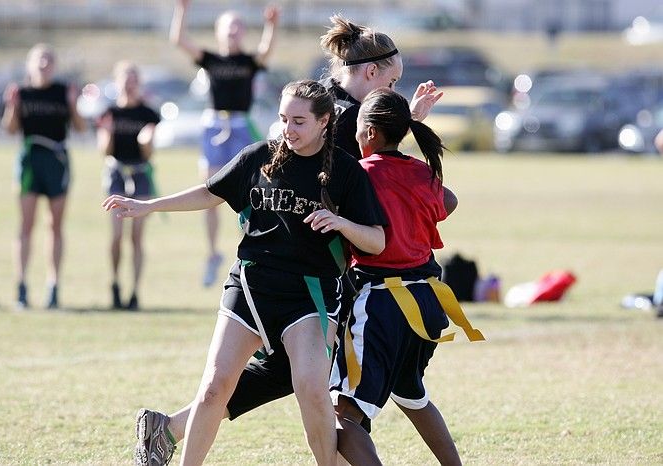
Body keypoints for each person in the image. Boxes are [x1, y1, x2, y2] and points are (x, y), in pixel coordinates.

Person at [131, 15, 460, 466]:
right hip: (307, 274)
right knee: (305, 381)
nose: (393, 93)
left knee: (294, 375)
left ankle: (170, 428)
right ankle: (171, 428)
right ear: (370, 72)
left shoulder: (341, 112)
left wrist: (403, 126)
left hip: (316, 272)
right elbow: (279, 168)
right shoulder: (342, 121)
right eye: (394, 82)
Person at [104, 79, 386, 466]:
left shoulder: (345, 171)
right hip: (250, 288)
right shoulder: (260, 156)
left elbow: (376, 240)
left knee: (312, 390)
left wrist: (341, 223)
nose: (289, 129)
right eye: (284, 119)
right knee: (214, 388)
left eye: (300, 121)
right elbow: (210, 192)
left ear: (325, 121)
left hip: (308, 296)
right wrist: (150, 205)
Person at [330, 87, 484, 466]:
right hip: (428, 301)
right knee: (411, 394)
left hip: (383, 304)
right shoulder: (418, 170)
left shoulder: (360, 174)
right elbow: (448, 200)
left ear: (367, 133)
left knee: (343, 415)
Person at [170, 0, 280, 287]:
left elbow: (266, 52)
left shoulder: (247, 62)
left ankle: (252, 248)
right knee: (210, 190)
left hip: (242, 126)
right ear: (219, 32)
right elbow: (179, 40)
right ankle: (212, 254)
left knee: (252, 191)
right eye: (227, 27)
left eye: (237, 26)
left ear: (242, 32)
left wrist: (271, 25)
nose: (232, 31)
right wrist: (182, 10)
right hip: (214, 126)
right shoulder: (211, 60)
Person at [2, 43, 86, 309]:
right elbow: (11, 129)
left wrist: (74, 105)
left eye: (49, 60)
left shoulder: (63, 92)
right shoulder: (22, 92)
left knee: (55, 226)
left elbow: (81, 128)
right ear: (29, 65)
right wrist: (12, 107)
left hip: (56, 161)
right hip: (30, 161)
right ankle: (22, 286)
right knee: (26, 226)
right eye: (39, 60)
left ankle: (53, 286)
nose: (44, 64)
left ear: (54, 65)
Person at [96, 61, 161, 310]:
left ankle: (134, 291)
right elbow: (104, 150)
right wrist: (109, 133)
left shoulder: (148, 113)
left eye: (134, 79)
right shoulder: (109, 112)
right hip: (116, 174)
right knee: (116, 236)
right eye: (125, 78)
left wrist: (146, 141)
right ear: (117, 82)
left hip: (140, 174)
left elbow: (149, 152)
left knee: (136, 237)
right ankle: (114, 283)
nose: (130, 84)